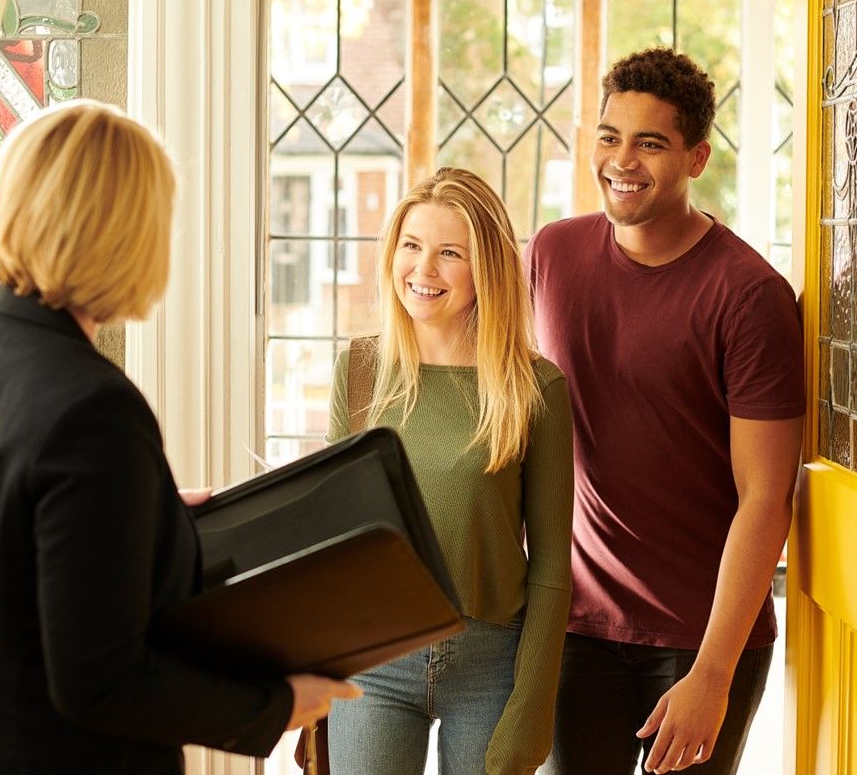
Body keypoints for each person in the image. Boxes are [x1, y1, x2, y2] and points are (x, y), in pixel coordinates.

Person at [0, 99, 359, 775]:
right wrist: (274, 707)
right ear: (123, 232)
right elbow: (98, 681)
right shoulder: (94, 408)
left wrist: (149, 516)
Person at [528, 49, 805, 775]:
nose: (622, 160)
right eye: (609, 136)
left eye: (650, 143)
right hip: (576, 625)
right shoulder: (553, 255)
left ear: (696, 157)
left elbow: (766, 497)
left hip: (702, 635)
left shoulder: (749, 296)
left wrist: (713, 674)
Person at [324, 167, 574, 774]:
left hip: (489, 664)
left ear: (484, 269)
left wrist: (533, 706)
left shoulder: (534, 388)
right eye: (411, 247)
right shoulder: (359, 369)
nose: (423, 270)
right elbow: (333, 538)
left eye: (449, 254)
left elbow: (550, 565)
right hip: (375, 663)